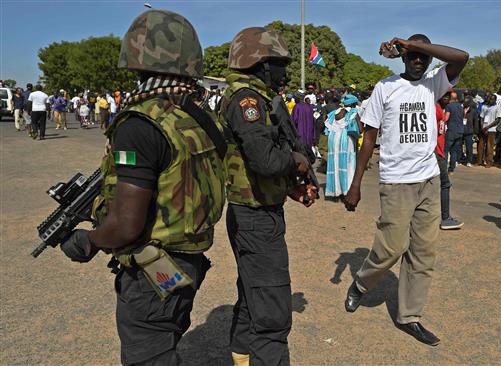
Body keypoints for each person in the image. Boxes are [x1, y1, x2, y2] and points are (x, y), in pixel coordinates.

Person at [58, 9, 226, 364]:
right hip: (187, 262)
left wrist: (86, 241)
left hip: (154, 271)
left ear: (137, 60)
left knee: (148, 354)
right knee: (164, 342)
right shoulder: (196, 115)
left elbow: (126, 225)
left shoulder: (140, 123)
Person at [343, 34, 468, 346]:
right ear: (401, 57)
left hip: (429, 180)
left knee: (423, 252)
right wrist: (356, 184)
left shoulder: (433, 84)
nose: (417, 61)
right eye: (411, 55)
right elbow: (369, 138)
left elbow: (461, 57)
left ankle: (410, 316)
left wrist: (418, 46)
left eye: (422, 56)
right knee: (391, 247)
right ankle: (361, 284)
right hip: (396, 181)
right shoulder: (385, 87)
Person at [219, 26, 317, 365]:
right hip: (255, 215)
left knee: (253, 295)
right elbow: (264, 159)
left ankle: (242, 357)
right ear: (260, 63)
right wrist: (298, 162)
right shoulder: (248, 100)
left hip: (256, 209)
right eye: (279, 64)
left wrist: (290, 184)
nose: (284, 72)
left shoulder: (257, 97)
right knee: (273, 312)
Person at [324, 94, 362, 198]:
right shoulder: (353, 112)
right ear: (353, 103)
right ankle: (347, 190)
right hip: (346, 139)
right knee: (348, 164)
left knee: (335, 163)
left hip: (333, 139)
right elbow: (360, 129)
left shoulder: (333, 113)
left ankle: (335, 190)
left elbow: (326, 124)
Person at [437, 93, 464, 230]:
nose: (446, 97)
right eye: (444, 95)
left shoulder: (444, 108)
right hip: (437, 151)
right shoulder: (436, 108)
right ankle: (445, 218)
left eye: (448, 95)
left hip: (442, 147)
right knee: (444, 184)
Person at [478, 94, 501, 167]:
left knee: (489, 146)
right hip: (483, 129)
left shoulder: (497, 107)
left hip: (491, 129)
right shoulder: (485, 106)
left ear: (495, 100)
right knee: (481, 146)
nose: (490, 100)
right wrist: (482, 127)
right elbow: (481, 117)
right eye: (489, 99)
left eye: (492, 99)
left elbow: (498, 119)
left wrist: (488, 127)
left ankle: (489, 162)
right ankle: (479, 161)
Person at [444, 91, 464, 172]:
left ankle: (443, 168)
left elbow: (446, 118)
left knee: (445, 150)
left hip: (452, 130)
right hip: (460, 131)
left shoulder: (449, 106)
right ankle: (451, 168)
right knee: (454, 151)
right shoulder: (460, 106)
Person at [462, 94, 479, 166]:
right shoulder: (461, 109)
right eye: (464, 100)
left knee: (469, 147)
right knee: (458, 146)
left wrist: (475, 132)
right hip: (461, 131)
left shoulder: (473, 111)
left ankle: (469, 161)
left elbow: (475, 122)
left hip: (469, 132)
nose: (465, 101)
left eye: (467, 100)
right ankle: (460, 159)